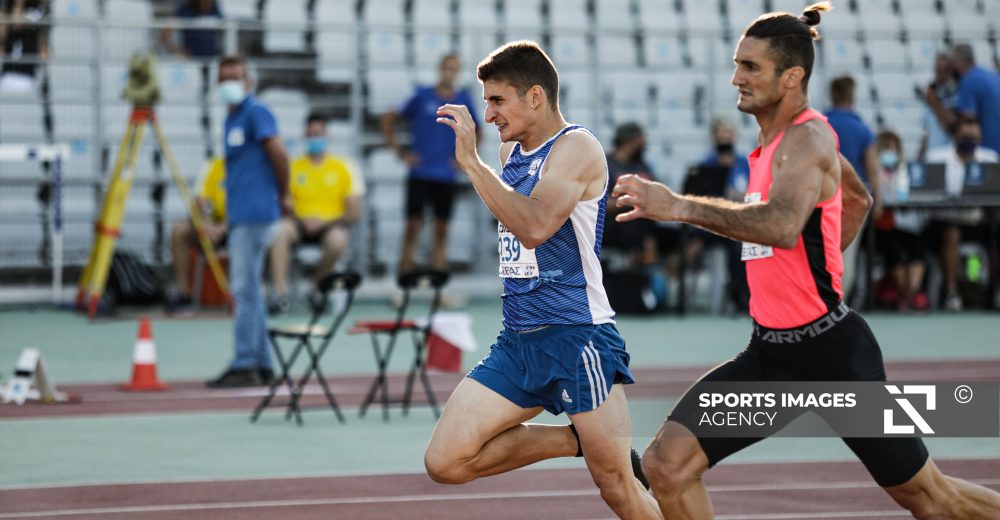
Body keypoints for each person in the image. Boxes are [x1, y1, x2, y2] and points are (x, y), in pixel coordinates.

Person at [613, 4, 1000, 518]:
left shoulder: (808, 138)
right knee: (666, 465)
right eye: (737, 64)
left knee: (930, 499)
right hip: (771, 358)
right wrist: (814, 271)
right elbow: (858, 198)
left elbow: (779, 226)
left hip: (831, 358)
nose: (736, 78)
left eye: (751, 67)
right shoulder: (775, 140)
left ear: (792, 76)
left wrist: (679, 207)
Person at [426, 41, 661, 520]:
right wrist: (485, 163)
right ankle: (573, 439)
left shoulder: (578, 147)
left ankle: (593, 447)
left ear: (534, 97)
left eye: (497, 100)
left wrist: (472, 164)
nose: (488, 113)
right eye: (486, 100)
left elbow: (533, 228)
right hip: (518, 340)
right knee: (445, 461)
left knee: (619, 489)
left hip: (579, 338)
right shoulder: (511, 146)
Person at [206, 55, 289, 389]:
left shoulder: (255, 112)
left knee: (244, 290)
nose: (229, 84)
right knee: (250, 290)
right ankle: (261, 362)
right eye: (223, 78)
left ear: (248, 82)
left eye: (235, 77)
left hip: (255, 214)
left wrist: (283, 195)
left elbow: (280, 155)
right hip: (241, 214)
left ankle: (245, 360)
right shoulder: (233, 118)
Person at [381, 53, 480, 274]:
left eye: (454, 69)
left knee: (441, 228)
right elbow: (388, 118)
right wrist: (400, 153)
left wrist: (464, 158)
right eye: (446, 67)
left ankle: (438, 281)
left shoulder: (463, 100)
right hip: (420, 173)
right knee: (412, 226)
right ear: (439, 69)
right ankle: (404, 275)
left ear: (458, 72)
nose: (449, 72)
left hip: (446, 175)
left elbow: (478, 131)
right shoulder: (422, 96)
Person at [267, 113, 363, 314]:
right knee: (279, 231)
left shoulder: (343, 167)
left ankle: (317, 287)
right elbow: (281, 204)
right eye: (310, 134)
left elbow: (354, 212)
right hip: (298, 224)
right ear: (305, 136)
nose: (314, 138)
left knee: (338, 240)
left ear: (326, 135)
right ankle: (280, 294)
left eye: (318, 134)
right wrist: (300, 219)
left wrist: (324, 222)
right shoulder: (293, 167)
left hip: (330, 225)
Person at [924, 117, 998, 311]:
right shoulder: (937, 157)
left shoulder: (989, 158)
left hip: (978, 222)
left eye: (974, 137)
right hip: (944, 222)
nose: (970, 141)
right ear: (955, 136)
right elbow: (928, 193)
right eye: (965, 136)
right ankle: (951, 292)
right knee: (952, 232)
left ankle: (993, 291)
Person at [825, 75, 879, 302]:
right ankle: (839, 302)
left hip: (823, 195)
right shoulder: (862, 129)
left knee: (821, 251)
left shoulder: (820, 123)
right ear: (852, 96)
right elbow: (872, 170)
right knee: (847, 254)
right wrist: (879, 202)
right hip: (851, 197)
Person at [871, 131, 928, 312]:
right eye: (885, 148)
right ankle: (903, 294)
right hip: (881, 227)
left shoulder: (906, 171)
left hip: (904, 224)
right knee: (893, 251)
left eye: (893, 147)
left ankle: (911, 294)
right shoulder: (873, 171)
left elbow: (905, 197)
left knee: (918, 248)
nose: (890, 151)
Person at [166, 156, 228, 316]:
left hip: (238, 227)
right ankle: (184, 294)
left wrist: (223, 228)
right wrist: (206, 225)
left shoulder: (250, 167)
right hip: (210, 226)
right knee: (179, 231)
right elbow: (199, 200)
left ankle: (246, 296)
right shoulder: (213, 165)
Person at [926, 44, 1000, 156]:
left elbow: (966, 124)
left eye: (950, 67)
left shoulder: (969, 80)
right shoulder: (993, 77)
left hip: (989, 154)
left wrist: (935, 103)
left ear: (956, 64)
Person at [0, 0, 48, 94]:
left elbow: (18, 22)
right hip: (7, 76)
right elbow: (12, 26)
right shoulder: (7, 8)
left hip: (28, 78)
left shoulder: (40, 9)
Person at [919, 53, 958, 161]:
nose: (940, 76)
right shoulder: (933, 97)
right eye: (938, 71)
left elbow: (952, 127)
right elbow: (928, 133)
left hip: (950, 159)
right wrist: (919, 158)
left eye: (944, 71)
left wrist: (935, 103)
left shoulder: (958, 97)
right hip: (931, 157)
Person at [158, 0, 224, 60]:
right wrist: (177, 51)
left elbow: (227, 30)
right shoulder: (185, 10)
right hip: (190, 61)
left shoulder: (215, 9)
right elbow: (164, 36)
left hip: (213, 60)